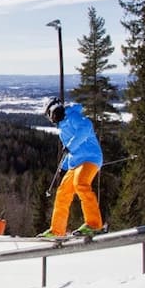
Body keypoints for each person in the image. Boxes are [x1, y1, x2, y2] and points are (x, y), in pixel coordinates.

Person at [38, 98, 105, 238]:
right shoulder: (62, 127)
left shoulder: (72, 116)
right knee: (63, 193)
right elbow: (68, 152)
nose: (53, 117)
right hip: (75, 163)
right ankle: (57, 230)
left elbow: (86, 127)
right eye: (51, 115)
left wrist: (70, 145)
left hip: (90, 157)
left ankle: (94, 224)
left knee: (81, 184)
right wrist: (63, 168)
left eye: (53, 113)